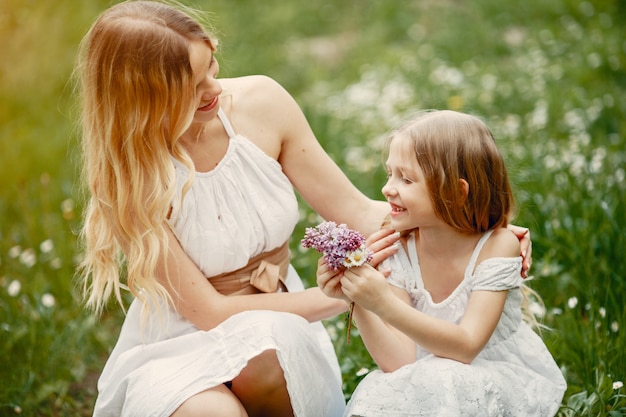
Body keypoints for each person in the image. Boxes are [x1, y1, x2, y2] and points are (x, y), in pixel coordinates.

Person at [76, 1, 533, 416]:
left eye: (211, 65)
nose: (214, 87)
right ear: (146, 98)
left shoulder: (261, 104)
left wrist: (478, 231)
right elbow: (209, 312)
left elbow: (356, 208)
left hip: (279, 327)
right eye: (192, 86)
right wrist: (346, 294)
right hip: (182, 338)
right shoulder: (127, 174)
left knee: (271, 355)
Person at [317, 110, 566, 416]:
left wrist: (383, 302)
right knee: (386, 389)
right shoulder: (400, 248)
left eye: (406, 178)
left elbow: (466, 347)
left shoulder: (497, 246)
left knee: (444, 375)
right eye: (389, 173)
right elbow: (400, 363)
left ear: (457, 192)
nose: (387, 188)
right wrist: (362, 303)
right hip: (427, 377)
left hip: (494, 375)